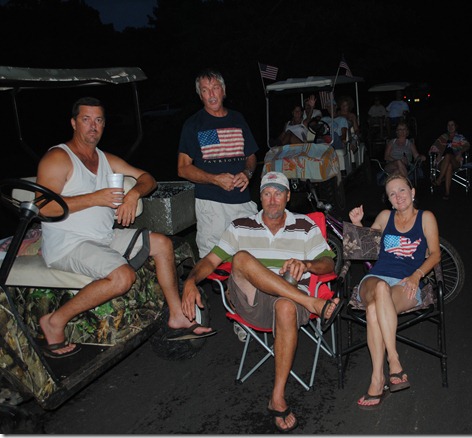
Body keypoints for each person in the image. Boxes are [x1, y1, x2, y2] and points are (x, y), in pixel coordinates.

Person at [36, 97, 214, 358]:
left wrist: (133, 195)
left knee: (162, 243)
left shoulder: (104, 159)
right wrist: (96, 198)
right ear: (74, 123)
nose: (93, 126)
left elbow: (148, 179)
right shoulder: (59, 157)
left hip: (103, 237)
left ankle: (177, 316)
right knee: (123, 277)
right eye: (86, 119)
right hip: (69, 243)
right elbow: (43, 207)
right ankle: (55, 321)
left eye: (98, 120)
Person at [180, 171, 345, 432]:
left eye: (278, 193)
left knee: (286, 306)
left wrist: (306, 264)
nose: (272, 199)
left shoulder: (305, 225)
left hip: (291, 304)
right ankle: (311, 302)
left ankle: (277, 397)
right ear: (260, 197)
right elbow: (210, 260)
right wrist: (190, 281)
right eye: (267, 193)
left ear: (288, 197)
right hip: (253, 302)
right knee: (241, 258)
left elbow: (328, 263)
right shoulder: (240, 226)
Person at [348, 174, 440, 410]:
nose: (398, 197)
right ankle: (394, 360)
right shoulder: (385, 217)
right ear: (388, 200)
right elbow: (364, 249)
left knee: (373, 311)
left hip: (406, 282)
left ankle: (377, 380)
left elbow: (435, 254)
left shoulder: (426, 218)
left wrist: (417, 275)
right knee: (380, 287)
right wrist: (357, 224)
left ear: (412, 192)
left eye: (402, 190)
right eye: (392, 194)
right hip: (375, 278)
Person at [178, 68, 258, 259]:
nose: (211, 94)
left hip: (242, 201)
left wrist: (247, 173)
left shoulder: (238, 119)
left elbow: (251, 156)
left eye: (215, 88)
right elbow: (183, 168)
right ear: (200, 95)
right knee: (214, 260)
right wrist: (214, 179)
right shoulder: (194, 124)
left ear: (223, 90)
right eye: (205, 90)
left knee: (252, 255)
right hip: (212, 205)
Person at [430, 119, 471, 200]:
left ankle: (439, 179)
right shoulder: (443, 137)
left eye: (452, 125)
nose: (450, 127)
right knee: (449, 166)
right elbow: (433, 147)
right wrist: (438, 153)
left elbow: (467, 145)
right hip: (443, 161)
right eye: (448, 125)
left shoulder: (460, 137)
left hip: (455, 160)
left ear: (455, 126)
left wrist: (460, 152)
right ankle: (447, 192)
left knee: (448, 155)